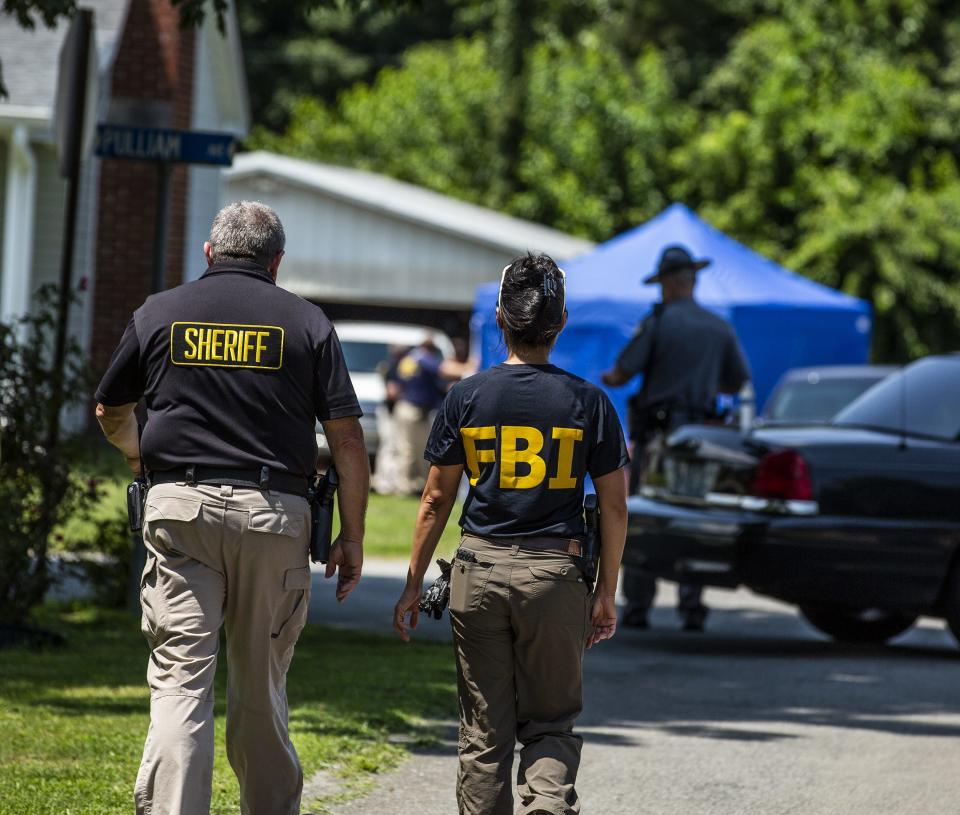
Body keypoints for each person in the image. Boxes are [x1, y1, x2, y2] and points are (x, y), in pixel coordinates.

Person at [94, 201, 370, 815]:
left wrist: (137, 456)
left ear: (209, 253)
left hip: (180, 513)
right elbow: (347, 440)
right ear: (276, 262)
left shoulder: (158, 313)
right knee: (259, 689)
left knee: (180, 685)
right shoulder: (307, 324)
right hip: (275, 516)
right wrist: (351, 537)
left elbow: (109, 409)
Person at [393, 253, 629, 815]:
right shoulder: (589, 402)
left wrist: (410, 585)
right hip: (556, 574)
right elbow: (615, 506)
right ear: (562, 321)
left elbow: (434, 499)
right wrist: (605, 592)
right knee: (549, 722)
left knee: (484, 729)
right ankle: (547, 803)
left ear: (500, 317)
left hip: (477, 573)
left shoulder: (467, 396)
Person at [602, 244, 750, 632]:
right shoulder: (720, 327)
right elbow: (736, 381)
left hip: (658, 436)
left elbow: (621, 373)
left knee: (645, 515)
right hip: (701, 439)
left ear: (667, 283)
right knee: (693, 517)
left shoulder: (659, 322)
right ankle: (692, 604)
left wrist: (607, 378)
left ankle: (638, 605)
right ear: (693, 281)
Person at [392, 337, 447, 494]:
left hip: (406, 406)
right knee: (410, 450)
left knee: (409, 449)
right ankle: (403, 486)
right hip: (414, 410)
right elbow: (442, 370)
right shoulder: (424, 359)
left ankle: (409, 484)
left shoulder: (408, 360)